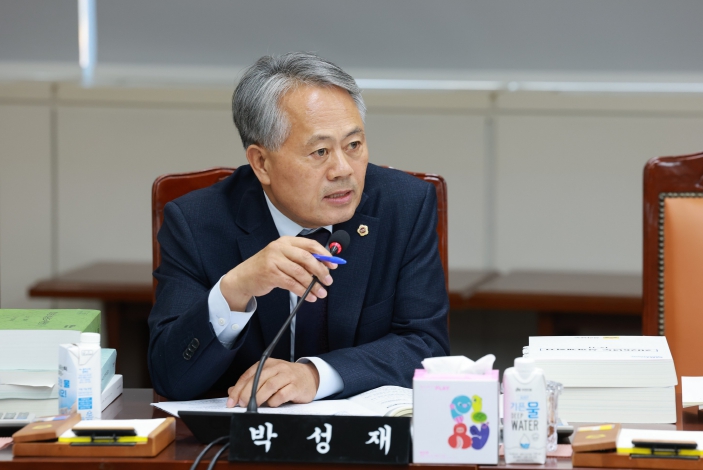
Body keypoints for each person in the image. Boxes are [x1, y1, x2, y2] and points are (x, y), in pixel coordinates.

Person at [148, 52, 449, 407]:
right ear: (262, 163)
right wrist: (234, 290)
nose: (343, 169)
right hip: (242, 435)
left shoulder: (404, 206)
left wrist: (316, 375)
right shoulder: (197, 222)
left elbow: (427, 349)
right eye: (320, 152)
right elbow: (170, 376)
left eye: (353, 145)